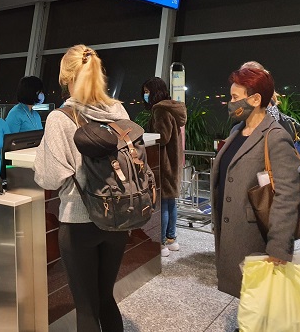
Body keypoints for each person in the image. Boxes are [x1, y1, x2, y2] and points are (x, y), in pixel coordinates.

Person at [34, 45, 130, 332]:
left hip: (79, 222)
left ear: (67, 77)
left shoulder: (60, 118)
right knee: (106, 298)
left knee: (86, 307)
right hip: (118, 218)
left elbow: (50, 178)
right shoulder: (118, 110)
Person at [211, 68, 300, 298]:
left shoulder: (275, 136)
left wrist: (278, 248)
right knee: (246, 295)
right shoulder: (237, 131)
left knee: (260, 296)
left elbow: (287, 196)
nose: (231, 103)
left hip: (254, 235)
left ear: (255, 99)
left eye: (235, 97)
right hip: (230, 229)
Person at [141, 77, 187, 257]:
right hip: (173, 163)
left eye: (147, 91)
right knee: (170, 202)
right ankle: (171, 239)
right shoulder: (172, 108)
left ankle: (161, 244)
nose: (145, 95)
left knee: (162, 205)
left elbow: (163, 137)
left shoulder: (160, 110)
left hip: (164, 164)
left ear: (155, 91)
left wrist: (146, 137)